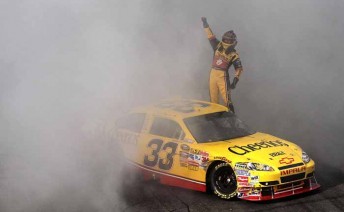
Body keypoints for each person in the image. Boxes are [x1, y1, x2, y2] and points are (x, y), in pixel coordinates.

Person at [201, 17, 243, 113]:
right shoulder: (218, 45)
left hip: (222, 76)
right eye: (226, 40)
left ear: (233, 42)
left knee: (227, 100)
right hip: (213, 74)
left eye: (229, 40)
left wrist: (235, 80)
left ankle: (233, 119)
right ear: (223, 39)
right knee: (213, 100)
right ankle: (215, 118)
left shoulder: (234, 54)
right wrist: (205, 24)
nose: (227, 42)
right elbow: (210, 36)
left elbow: (239, 68)